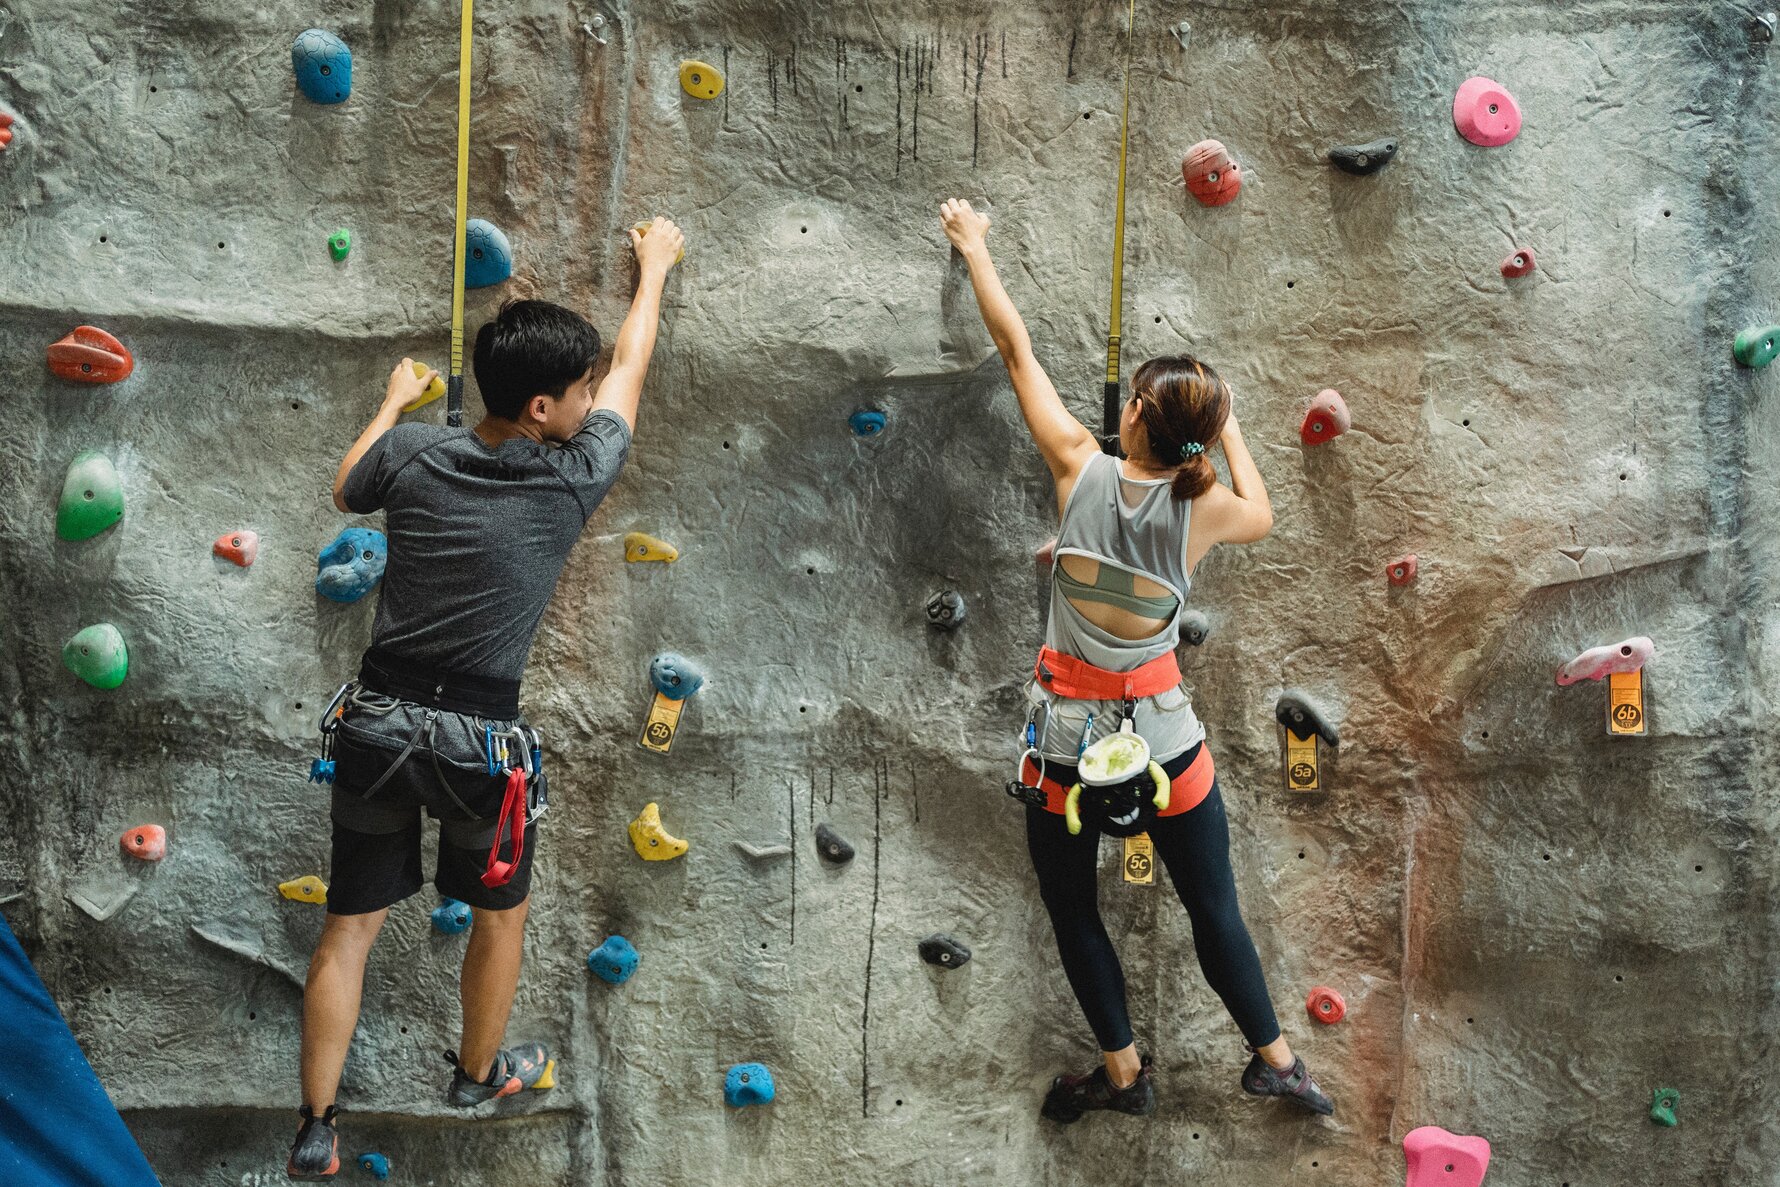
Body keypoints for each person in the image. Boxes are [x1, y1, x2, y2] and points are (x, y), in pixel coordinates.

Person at [286, 219, 686, 1180]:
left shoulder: (418, 454)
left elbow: (347, 488)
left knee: (350, 927)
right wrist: (656, 271)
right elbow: (631, 370)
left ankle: (314, 1126)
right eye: (578, 395)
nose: (594, 404)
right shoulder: (570, 476)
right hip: (478, 743)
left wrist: (392, 401)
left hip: (377, 724)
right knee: (499, 914)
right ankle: (474, 1074)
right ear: (544, 407)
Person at [937, 197, 1333, 1124]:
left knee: (1076, 911)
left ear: (1139, 418)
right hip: (1165, 740)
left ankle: (1123, 1074)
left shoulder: (1078, 462)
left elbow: (1016, 352)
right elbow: (1261, 506)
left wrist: (975, 244)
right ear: (1199, 437)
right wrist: (1224, 424)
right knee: (1214, 906)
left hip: (1065, 747)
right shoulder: (1210, 514)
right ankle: (1275, 1059)